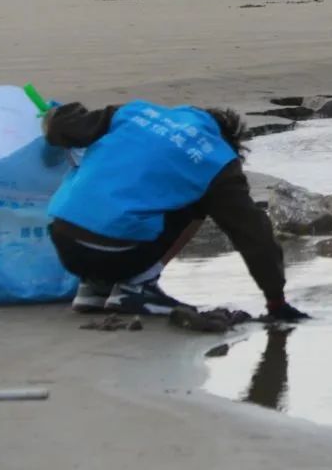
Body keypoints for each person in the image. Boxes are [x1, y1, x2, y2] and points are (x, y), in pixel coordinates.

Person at [42, 100, 309, 321]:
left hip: (63, 240)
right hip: (116, 252)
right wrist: (276, 300)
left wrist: (56, 114)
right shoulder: (217, 159)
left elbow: (60, 126)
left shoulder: (133, 113)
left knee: (106, 178)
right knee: (196, 202)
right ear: (231, 145)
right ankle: (137, 288)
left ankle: (95, 286)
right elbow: (253, 234)